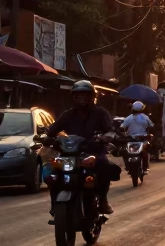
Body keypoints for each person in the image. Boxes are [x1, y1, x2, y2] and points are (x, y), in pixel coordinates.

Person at [45, 80, 118, 214]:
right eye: (78, 95)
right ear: (73, 97)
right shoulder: (67, 115)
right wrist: (47, 138)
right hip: (70, 153)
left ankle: (102, 199)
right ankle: (55, 204)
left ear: (92, 97)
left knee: (104, 164)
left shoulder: (100, 113)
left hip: (94, 151)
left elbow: (110, 129)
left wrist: (105, 137)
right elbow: (52, 130)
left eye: (85, 95)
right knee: (51, 172)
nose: (81, 99)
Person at [121, 101, 154, 174]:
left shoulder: (129, 118)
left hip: (131, 139)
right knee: (146, 151)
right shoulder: (145, 117)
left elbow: (122, 127)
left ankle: (127, 166)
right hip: (141, 139)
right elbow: (152, 126)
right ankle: (145, 167)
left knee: (124, 152)